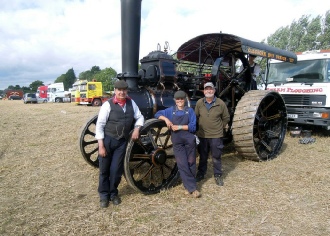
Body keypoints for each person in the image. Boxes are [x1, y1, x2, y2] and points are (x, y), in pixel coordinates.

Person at [95, 80, 144, 208]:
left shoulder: (131, 103)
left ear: (126, 91)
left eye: (124, 90)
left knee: (116, 170)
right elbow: (100, 125)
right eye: (119, 90)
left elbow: (140, 117)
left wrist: (137, 128)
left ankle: (113, 194)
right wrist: (101, 145)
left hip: (121, 142)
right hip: (107, 140)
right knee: (104, 170)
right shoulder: (107, 105)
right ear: (115, 91)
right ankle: (104, 195)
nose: (122, 92)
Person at [154, 90, 200, 198]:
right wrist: (166, 120)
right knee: (182, 164)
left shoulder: (190, 111)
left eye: (181, 99)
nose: (180, 101)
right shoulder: (171, 111)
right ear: (175, 100)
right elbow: (157, 114)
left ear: (184, 100)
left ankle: (188, 187)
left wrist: (179, 127)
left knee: (191, 162)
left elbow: (193, 127)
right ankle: (193, 189)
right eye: (177, 99)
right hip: (177, 141)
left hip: (189, 139)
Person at [194, 82, 230, 186]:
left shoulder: (220, 103)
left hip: (216, 135)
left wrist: (220, 127)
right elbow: (195, 116)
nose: (208, 91)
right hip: (203, 135)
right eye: (206, 89)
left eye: (210, 89)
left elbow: (226, 117)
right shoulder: (199, 103)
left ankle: (218, 175)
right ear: (204, 91)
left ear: (214, 91)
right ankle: (201, 174)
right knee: (203, 156)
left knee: (216, 156)